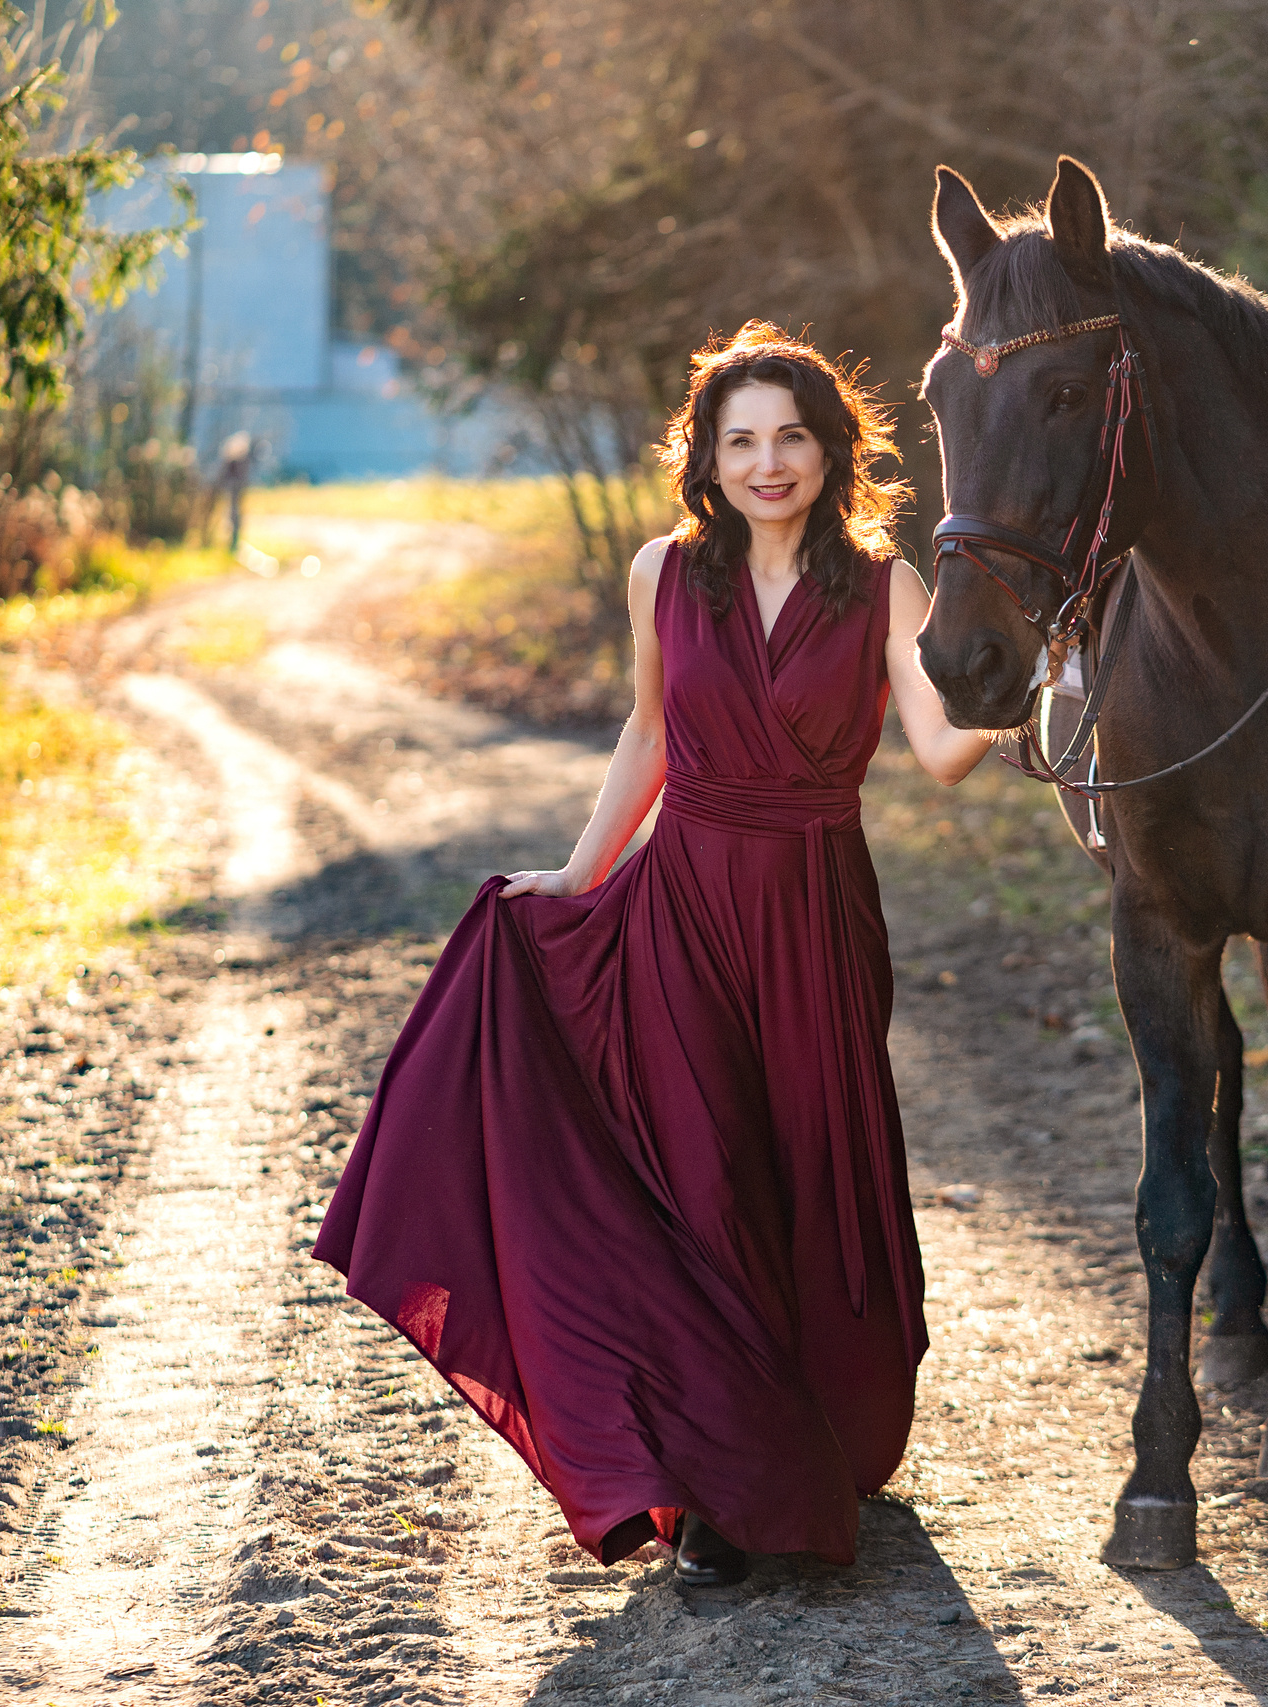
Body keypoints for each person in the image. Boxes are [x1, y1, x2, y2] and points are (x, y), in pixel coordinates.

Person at [311, 323, 997, 1587]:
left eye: (792, 434)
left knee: (808, 1170)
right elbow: (647, 731)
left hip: (816, 915)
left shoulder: (885, 583)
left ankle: (817, 1438)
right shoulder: (663, 576)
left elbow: (946, 749)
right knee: (704, 1179)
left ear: (830, 448)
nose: (769, 461)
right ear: (707, 458)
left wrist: (1046, 677)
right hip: (682, 903)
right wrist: (579, 874)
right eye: (741, 439)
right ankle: (722, 1489)